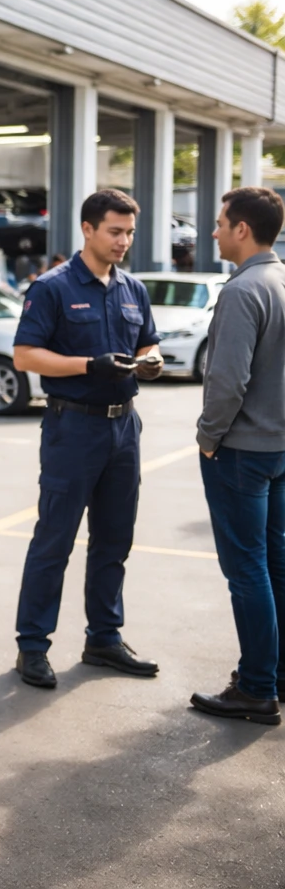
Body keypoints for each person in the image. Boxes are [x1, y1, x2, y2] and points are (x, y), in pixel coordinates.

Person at [11, 189, 164, 689]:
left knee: (114, 538)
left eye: (130, 233)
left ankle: (104, 637)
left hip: (124, 426)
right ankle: (32, 646)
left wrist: (152, 357)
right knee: (55, 539)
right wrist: (86, 366)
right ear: (88, 229)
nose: (124, 241)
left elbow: (147, 339)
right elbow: (26, 356)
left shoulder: (132, 288)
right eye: (116, 231)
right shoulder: (52, 287)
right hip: (72, 426)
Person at [191, 186, 285, 726]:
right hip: (277, 448)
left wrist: (209, 437)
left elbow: (227, 381)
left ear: (242, 229)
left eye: (221, 222)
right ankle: (272, 673)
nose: (214, 231)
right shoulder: (281, 279)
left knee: (247, 570)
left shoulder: (244, 289)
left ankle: (255, 689)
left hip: (242, 452)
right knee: (273, 563)